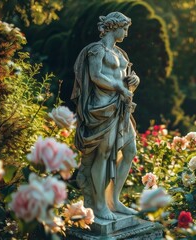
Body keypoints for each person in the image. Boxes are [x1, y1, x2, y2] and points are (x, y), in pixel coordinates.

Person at [71, 12, 140, 220]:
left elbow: (125, 77)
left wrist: (133, 80)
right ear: (114, 27)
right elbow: (96, 75)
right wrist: (120, 87)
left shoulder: (121, 54)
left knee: (130, 150)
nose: (126, 34)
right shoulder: (96, 50)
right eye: (124, 29)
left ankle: (114, 200)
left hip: (121, 106)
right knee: (102, 155)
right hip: (101, 108)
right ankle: (99, 204)